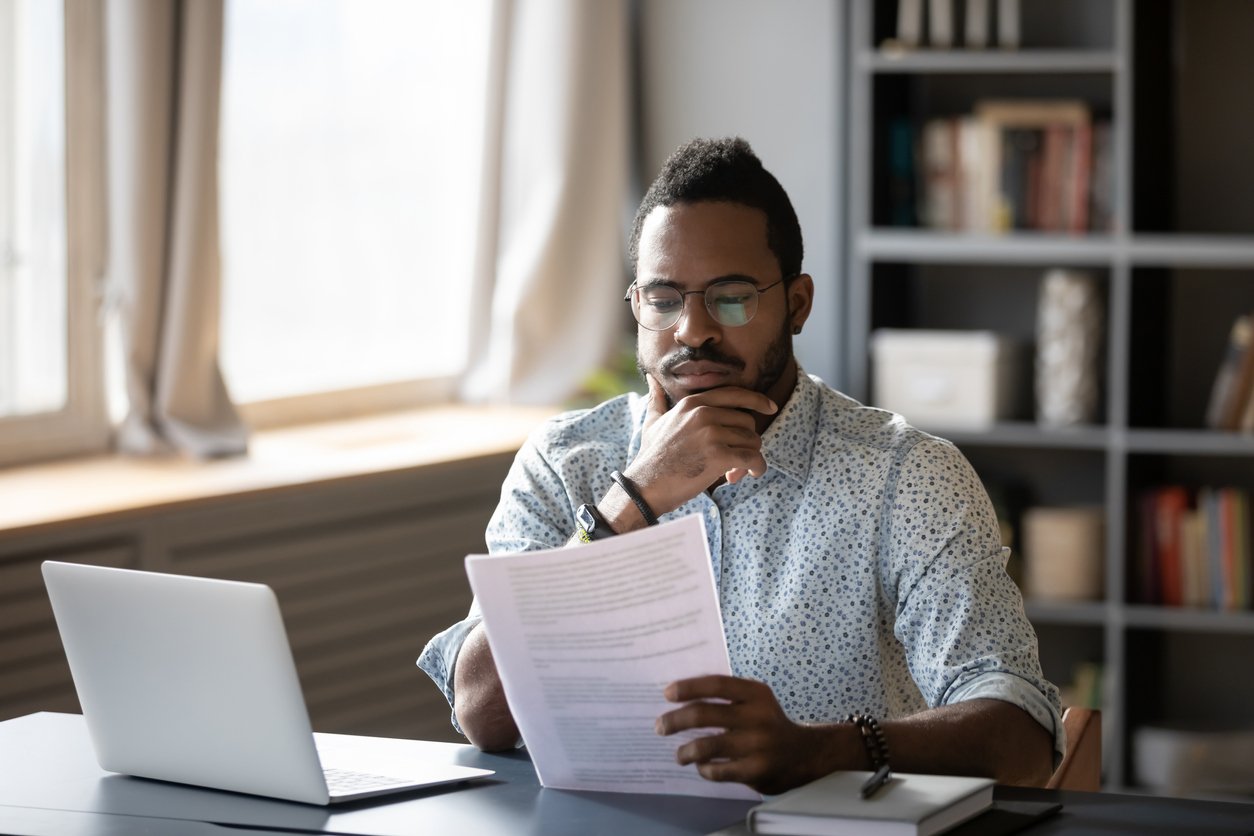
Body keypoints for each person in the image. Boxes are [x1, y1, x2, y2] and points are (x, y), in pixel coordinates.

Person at [419, 137, 1062, 795]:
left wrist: (820, 751)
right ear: (637, 307)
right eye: (664, 299)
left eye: (731, 297)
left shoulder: (907, 477)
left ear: (797, 303)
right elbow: (482, 713)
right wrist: (631, 503)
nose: (693, 329)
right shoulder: (564, 464)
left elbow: (1022, 737)